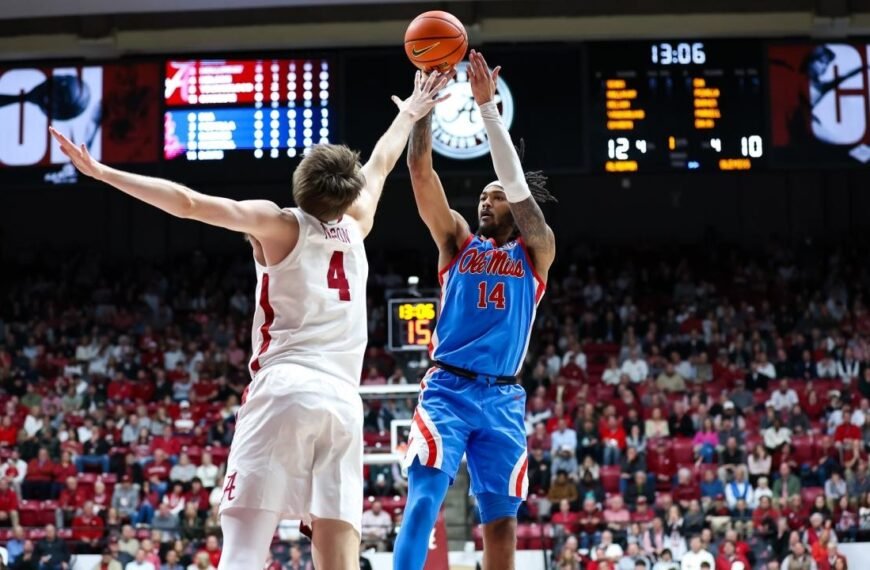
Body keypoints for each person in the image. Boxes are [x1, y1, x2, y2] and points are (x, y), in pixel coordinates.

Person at [51, 70, 452, 570]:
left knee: (243, 552)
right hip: (343, 404)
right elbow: (382, 160)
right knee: (338, 558)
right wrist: (411, 110)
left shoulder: (279, 223)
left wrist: (104, 173)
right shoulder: (357, 221)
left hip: (284, 389)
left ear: (302, 184)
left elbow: (189, 204)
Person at [395, 49, 557, 570]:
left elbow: (516, 188)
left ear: (517, 202)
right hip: (447, 387)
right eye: (482, 196)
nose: (485, 202)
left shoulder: (537, 251)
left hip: (504, 397)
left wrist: (489, 112)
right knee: (423, 501)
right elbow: (421, 173)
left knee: (503, 526)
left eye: (496, 196)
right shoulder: (458, 242)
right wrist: (421, 112)